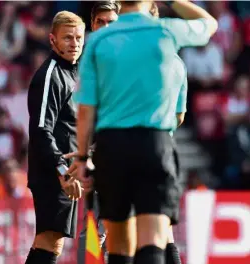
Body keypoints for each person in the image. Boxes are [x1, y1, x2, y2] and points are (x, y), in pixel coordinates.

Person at [73, 1, 218, 264]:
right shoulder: (165, 31)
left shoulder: (97, 40)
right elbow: (210, 25)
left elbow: (86, 109)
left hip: (111, 146)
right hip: (155, 142)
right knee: (154, 241)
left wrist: (82, 157)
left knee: (119, 246)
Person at [25, 11, 85, 264]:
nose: (74, 44)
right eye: (67, 38)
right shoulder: (51, 75)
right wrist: (63, 171)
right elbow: (41, 130)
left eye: (78, 38)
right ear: (52, 41)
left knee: (52, 242)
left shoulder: (72, 71)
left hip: (63, 169)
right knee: (49, 241)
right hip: (52, 171)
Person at [75, 2, 120, 263]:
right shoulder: (83, 56)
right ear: (92, 24)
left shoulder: (129, 56)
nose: (104, 27)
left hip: (126, 147)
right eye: (100, 21)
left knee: (123, 225)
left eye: (110, 22)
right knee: (93, 226)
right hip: (94, 150)